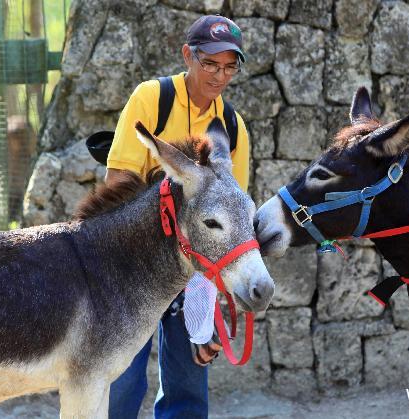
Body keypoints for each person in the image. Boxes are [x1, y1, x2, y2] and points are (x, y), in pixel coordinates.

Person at [105, 15, 250, 419]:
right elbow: (118, 184)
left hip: (194, 273)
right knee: (121, 383)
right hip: (135, 263)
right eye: (210, 64)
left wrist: (217, 304)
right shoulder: (151, 99)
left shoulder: (234, 128)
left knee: (188, 387)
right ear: (188, 55)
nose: (219, 76)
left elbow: (232, 220)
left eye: (229, 67)